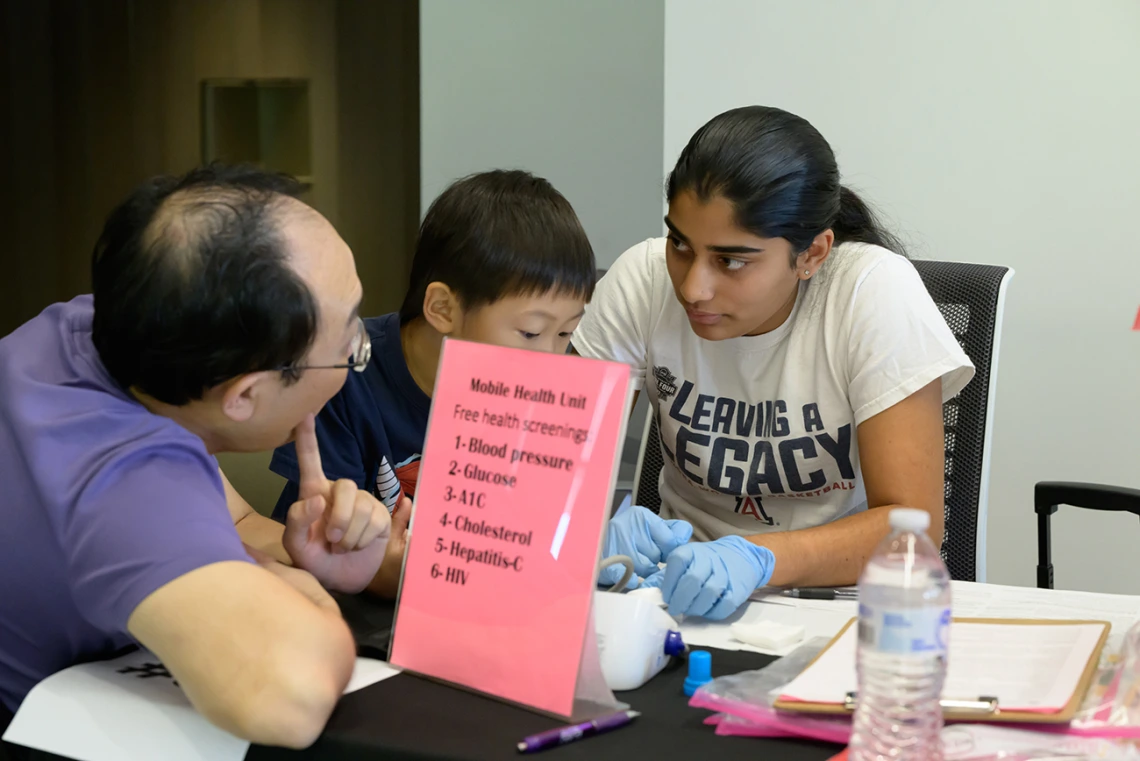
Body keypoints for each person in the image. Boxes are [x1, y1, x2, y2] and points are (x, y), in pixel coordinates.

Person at [0, 166, 395, 748]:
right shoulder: (127, 481)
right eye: (348, 349)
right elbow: (292, 694)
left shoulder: (101, 328)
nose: (355, 354)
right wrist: (311, 601)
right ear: (244, 396)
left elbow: (228, 522)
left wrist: (302, 558)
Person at [574, 106, 975, 620]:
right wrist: (594, 533)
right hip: (669, 595)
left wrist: (758, 559)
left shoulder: (872, 292)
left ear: (811, 254)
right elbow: (556, 476)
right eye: (680, 243)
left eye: (732, 260)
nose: (693, 288)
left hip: (838, 602)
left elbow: (911, 528)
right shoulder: (642, 282)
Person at [267, 169, 597, 597]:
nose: (550, 359)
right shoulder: (340, 375)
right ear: (442, 308)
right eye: (531, 333)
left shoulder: (539, 403)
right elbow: (312, 548)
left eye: (566, 334)